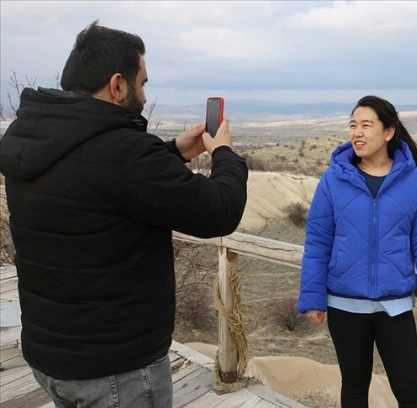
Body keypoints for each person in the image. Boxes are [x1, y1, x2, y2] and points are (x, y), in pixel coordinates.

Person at [0, 21, 248, 407]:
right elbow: (219, 211)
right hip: (115, 369)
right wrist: (224, 154)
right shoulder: (124, 153)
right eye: (143, 83)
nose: (145, 94)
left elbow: (95, 183)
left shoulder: (30, 136)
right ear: (118, 85)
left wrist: (173, 152)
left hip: (49, 354)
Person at [297, 95, 417, 407]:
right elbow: (317, 242)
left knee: (409, 393)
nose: (357, 133)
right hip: (345, 306)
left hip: (395, 308)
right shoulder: (333, 179)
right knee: (354, 390)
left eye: (366, 125)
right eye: (353, 126)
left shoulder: (415, 182)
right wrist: (312, 297)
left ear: (389, 132)